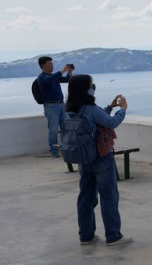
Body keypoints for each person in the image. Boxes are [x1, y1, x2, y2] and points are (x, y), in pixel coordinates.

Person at [65, 74, 132, 246]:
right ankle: (113, 236)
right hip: (101, 158)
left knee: (86, 198)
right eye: (91, 85)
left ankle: (86, 235)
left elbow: (94, 119)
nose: (93, 87)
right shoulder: (91, 109)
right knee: (109, 196)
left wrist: (109, 106)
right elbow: (110, 123)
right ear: (86, 89)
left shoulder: (72, 109)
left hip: (84, 158)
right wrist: (122, 109)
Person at [36, 56, 73, 157]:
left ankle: (67, 149)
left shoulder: (53, 76)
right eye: (50, 64)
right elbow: (51, 79)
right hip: (51, 106)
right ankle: (54, 152)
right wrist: (63, 70)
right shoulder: (42, 77)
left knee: (67, 128)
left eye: (52, 63)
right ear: (43, 65)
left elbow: (67, 80)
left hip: (61, 105)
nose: (52, 65)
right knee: (53, 130)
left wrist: (69, 72)